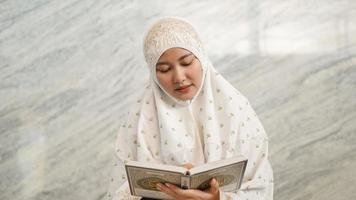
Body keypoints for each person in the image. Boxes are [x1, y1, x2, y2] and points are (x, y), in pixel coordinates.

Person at [106, 17, 273, 200]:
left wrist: (217, 199)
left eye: (186, 63)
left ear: (202, 58)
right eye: (163, 69)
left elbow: (260, 187)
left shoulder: (237, 111)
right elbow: (118, 190)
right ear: (153, 74)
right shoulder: (139, 122)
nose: (179, 77)